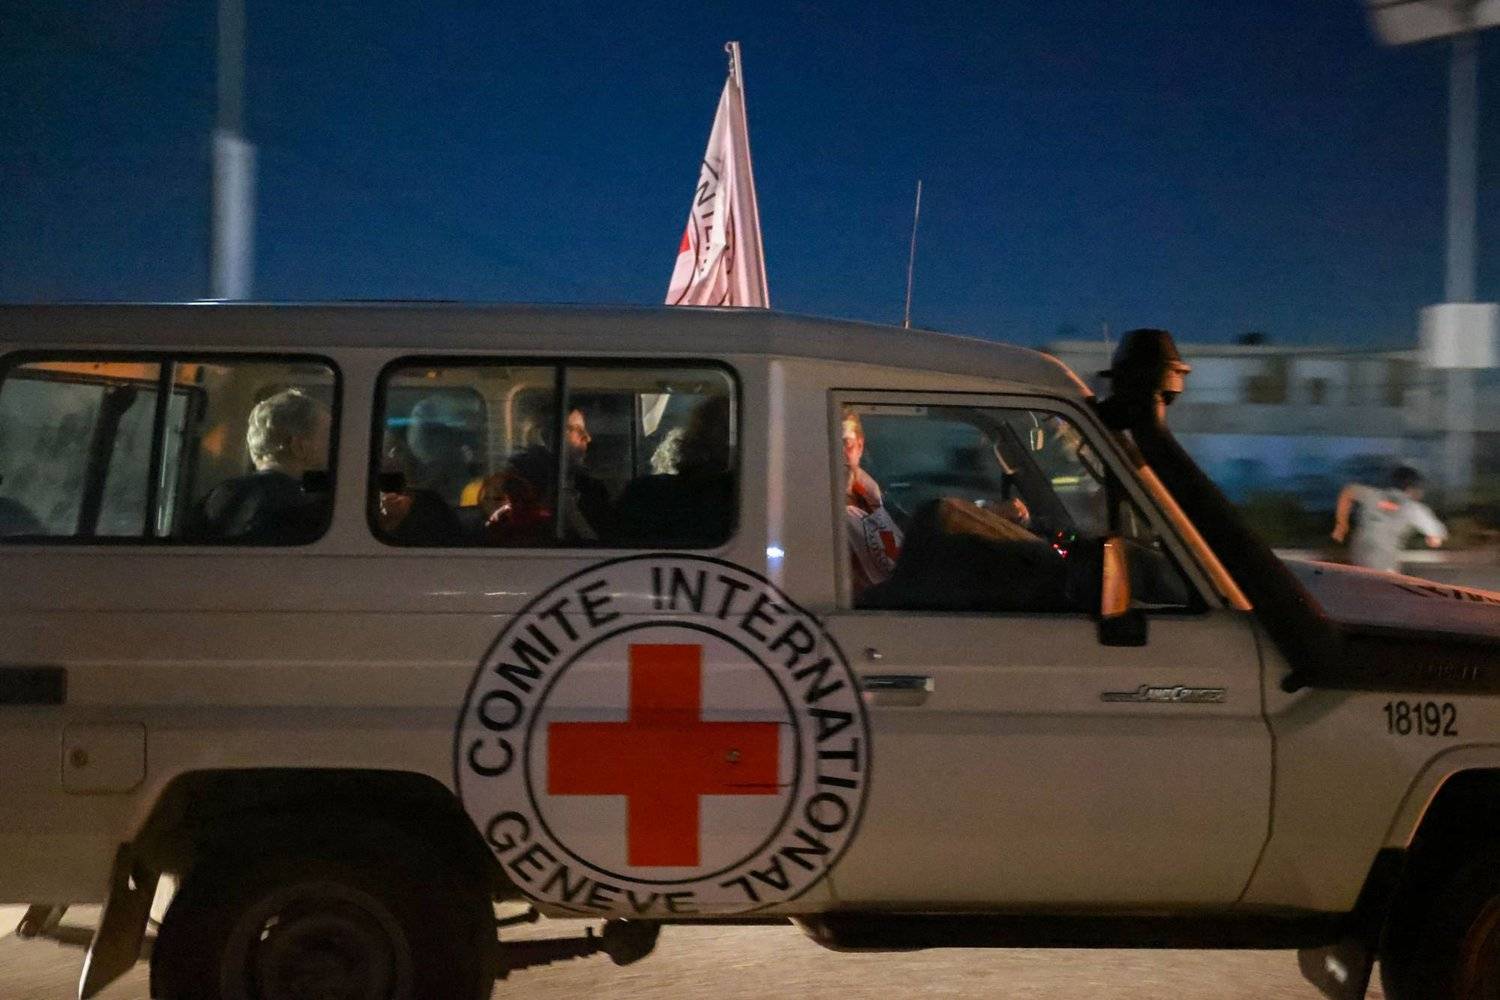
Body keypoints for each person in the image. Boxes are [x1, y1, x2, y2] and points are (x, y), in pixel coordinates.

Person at [186, 388, 332, 545]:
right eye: (329, 438)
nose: (334, 448)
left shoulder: (216, 497)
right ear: (299, 447)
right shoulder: (310, 510)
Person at [1331, 465, 1448, 573]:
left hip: (1358, 559)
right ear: (1411, 489)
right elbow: (1437, 536)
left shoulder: (1372, 495)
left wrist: (1341, 525)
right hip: (1384, 566)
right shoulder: (1413, 509)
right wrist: (1433, 539)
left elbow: (1348, 491)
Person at [841, 408, 903, 596]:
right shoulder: (818, 508)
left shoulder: (872, 498)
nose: (839, 452)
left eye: (846, 443)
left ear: (860, 446)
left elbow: (893, 553)